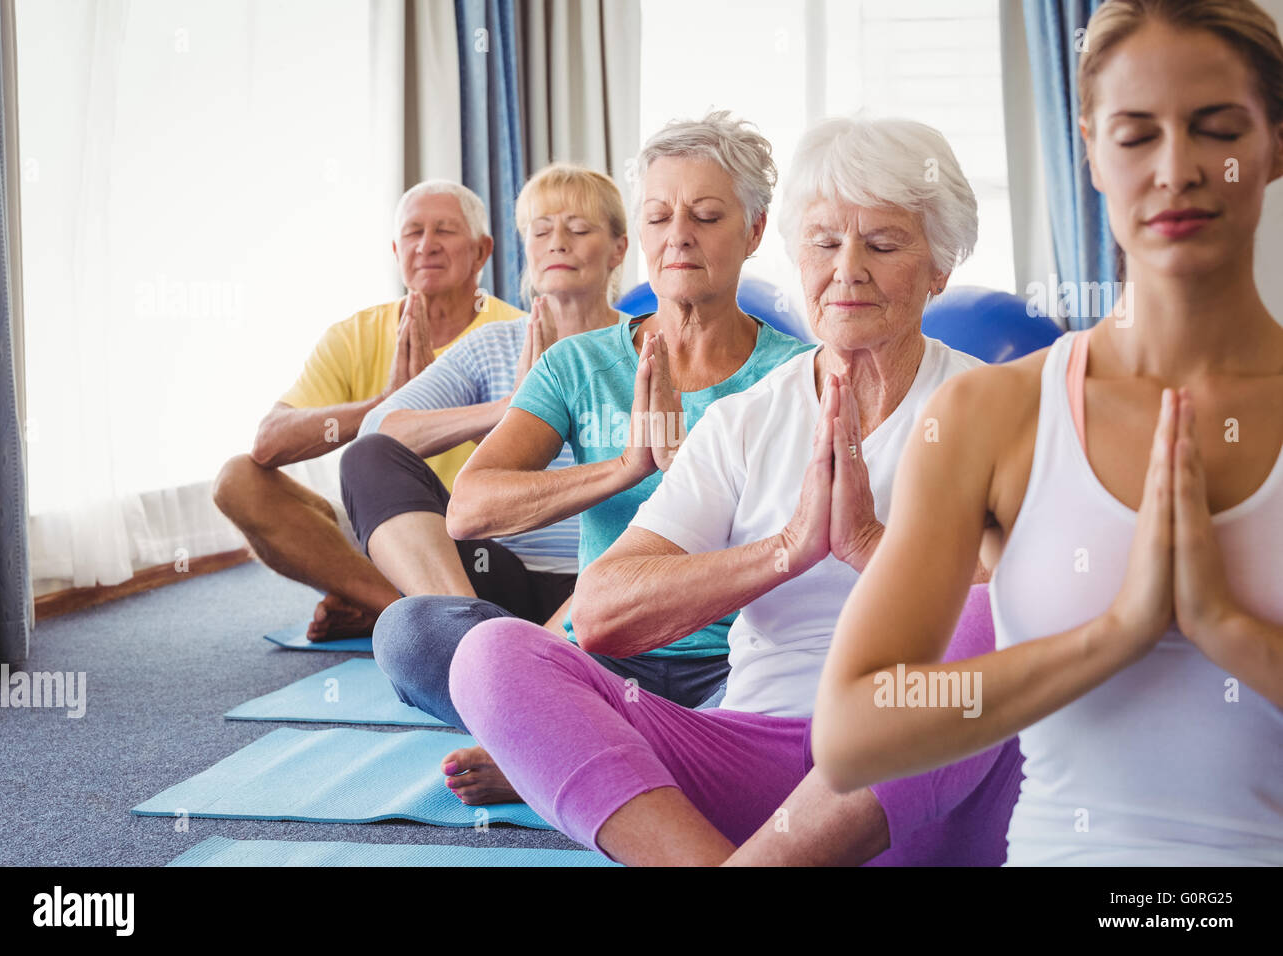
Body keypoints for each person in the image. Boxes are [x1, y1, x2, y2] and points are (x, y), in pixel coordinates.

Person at [445, 116, 1023, 867]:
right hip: (759, 759)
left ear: (940, 267)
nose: (846, 269)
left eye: (882, 244)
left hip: (926, 771)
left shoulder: (1001, 409)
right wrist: (785, 551)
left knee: (994, 614)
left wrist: (867, 546)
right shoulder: (747, 420)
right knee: (490, 655)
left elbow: (1037, 610)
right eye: (823, 243)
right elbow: (601, 615)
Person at [814, 0, 1283, 866]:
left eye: (1216, 129)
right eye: (1136, 134)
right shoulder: (989, 416)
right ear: (1093, 152)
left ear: (1274, 143)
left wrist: (1226, 629)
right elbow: (850, 735)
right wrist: (1112, 636)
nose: (1177, 169)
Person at [370, 110, 812, 803]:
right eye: (660, 216)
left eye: (706, 215)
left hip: (732, 666)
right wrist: (626, 466)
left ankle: (560, 745)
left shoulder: (797, 375)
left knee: (799, 710)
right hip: (596, 656)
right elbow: (470, 510)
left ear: (754, 231)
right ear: (639, 233)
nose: (679, 237)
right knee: (410, 634)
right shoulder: (580, 363)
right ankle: (621, 743)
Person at [212, 181, 522, 640]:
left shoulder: (514, 333)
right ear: (397, 250)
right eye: (413, 232)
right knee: (237, 479)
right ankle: (391, 605)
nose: (427, 244)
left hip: (478, 540)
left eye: (445, 231)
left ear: (481, 251)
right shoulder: (353, 334)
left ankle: (404, 607)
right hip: (381, 531)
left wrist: (441, 406)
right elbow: (268, 442)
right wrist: (386, 404)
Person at [341, 164, 630, 657]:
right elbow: (379, 430)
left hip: (609, 581)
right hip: (498, 584)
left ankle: (500, 664)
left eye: (579, 229)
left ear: (618, 248)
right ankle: (472, 642)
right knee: (365, 459)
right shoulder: (493, 346)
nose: (557, 242)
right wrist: (509, 409)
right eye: (540, 231)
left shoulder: (645, 347)